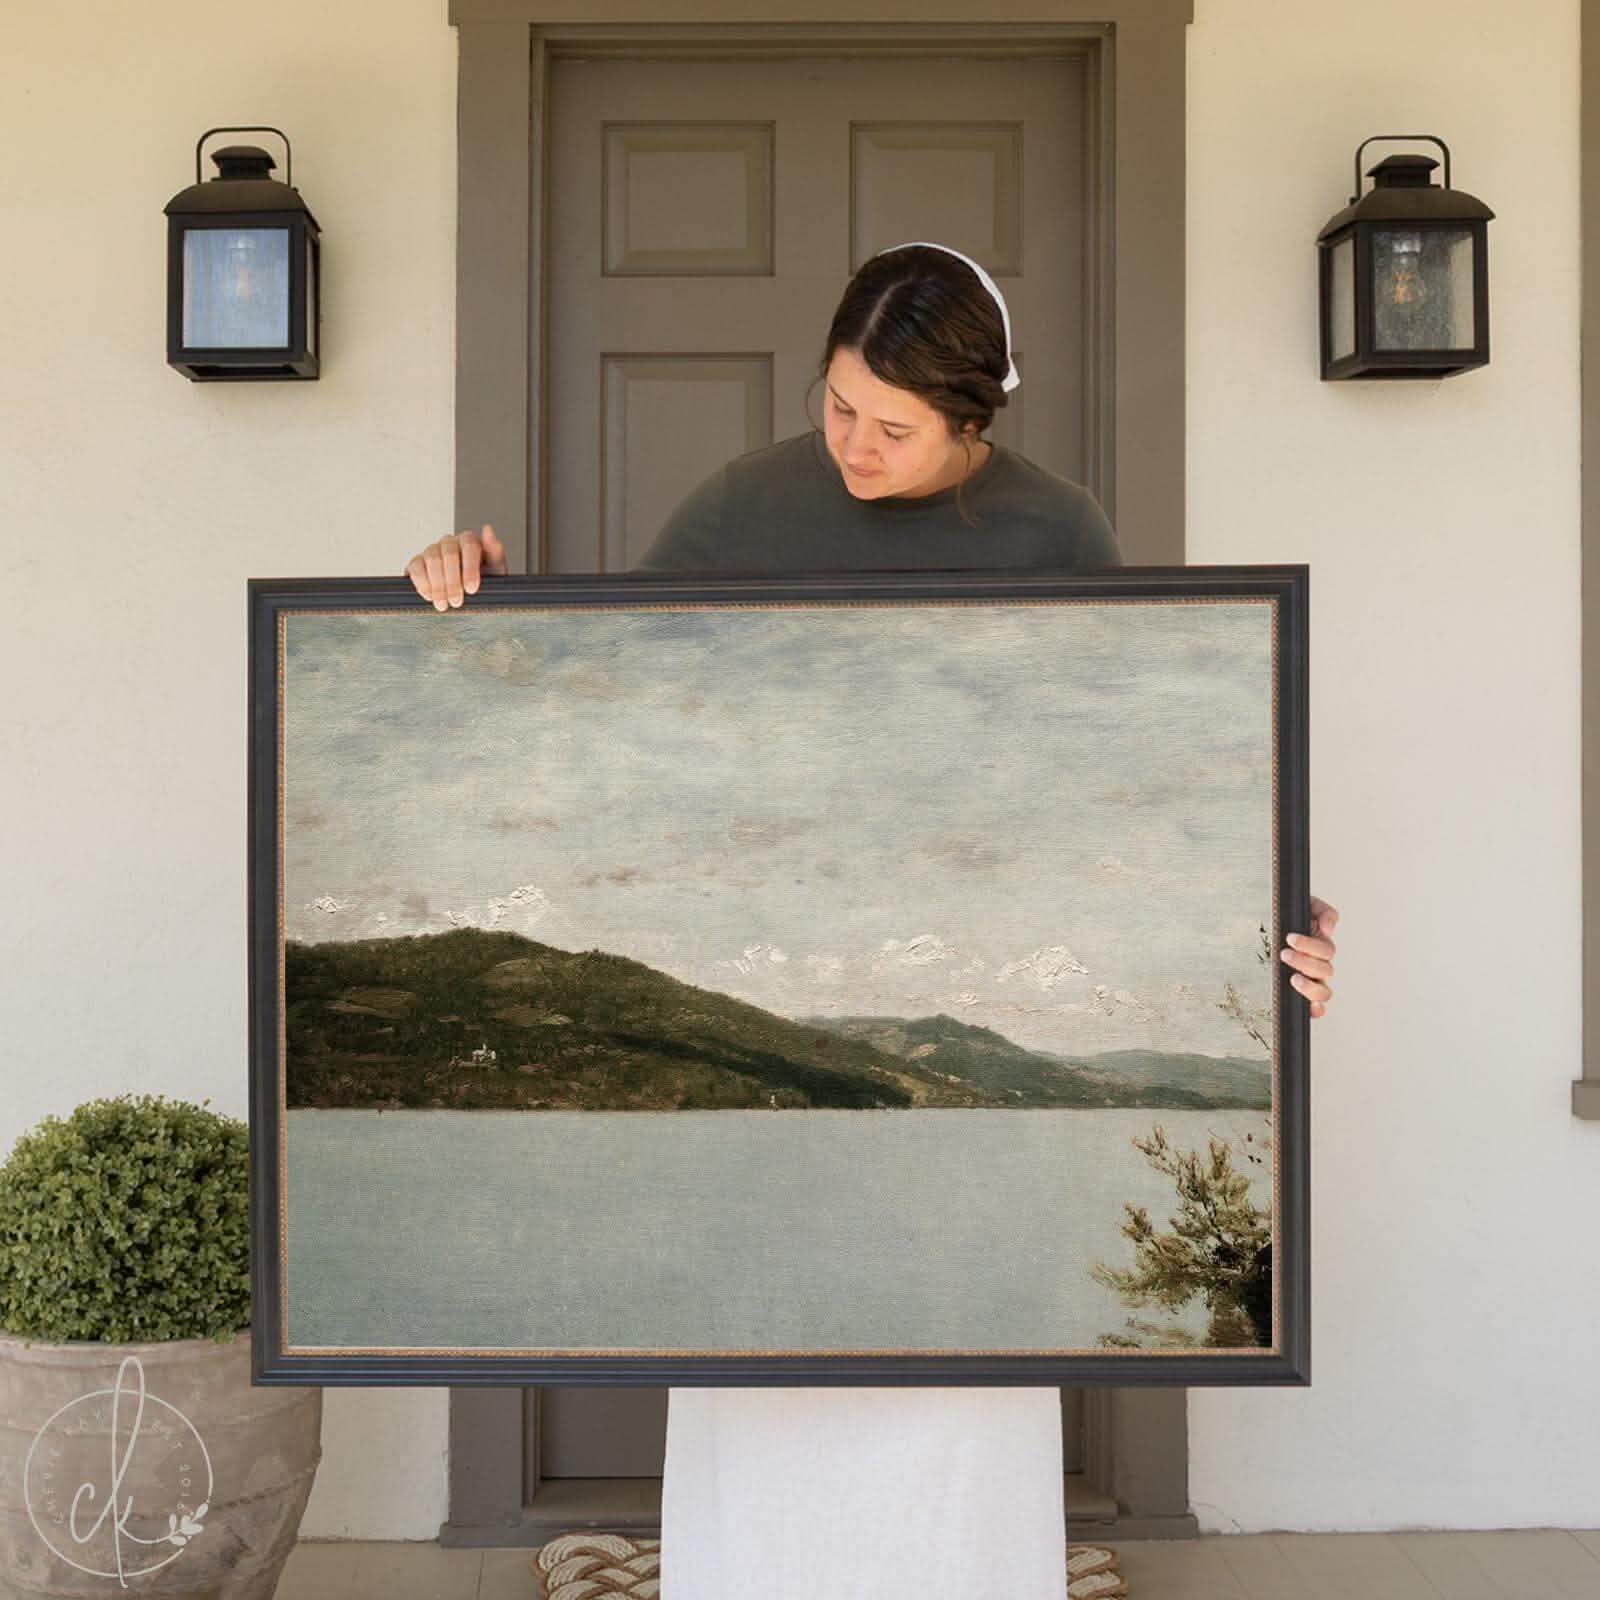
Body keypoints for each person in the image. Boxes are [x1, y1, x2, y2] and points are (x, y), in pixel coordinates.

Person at [404, 242, 1339, 1599]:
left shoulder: (1057, 533)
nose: (852, 444)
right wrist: (470, 590)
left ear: (976, 417)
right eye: (834, 406)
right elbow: (600, 695)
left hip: (969, 943)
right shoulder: (737, 509)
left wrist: (1257, 915)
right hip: (775, 932)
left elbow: (1123, 766)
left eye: (892, 426)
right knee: (759, 1364)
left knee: (962, 1392)